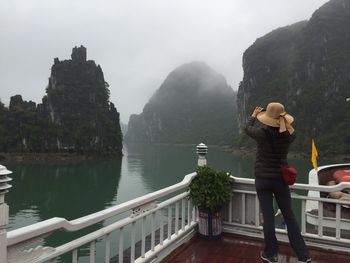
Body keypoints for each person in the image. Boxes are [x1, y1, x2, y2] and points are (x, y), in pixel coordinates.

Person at [244, 102, 311, 263]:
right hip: (280, 181)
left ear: (267, 119)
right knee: (289, 217)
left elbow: (247, 128)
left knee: (268, 218)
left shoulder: (261, 134)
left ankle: (271, 254)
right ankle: (303, 255)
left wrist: (253, 115)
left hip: (263, 181)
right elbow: (291, 131)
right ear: (283, 118)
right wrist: (284, 121)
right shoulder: (289, 136)